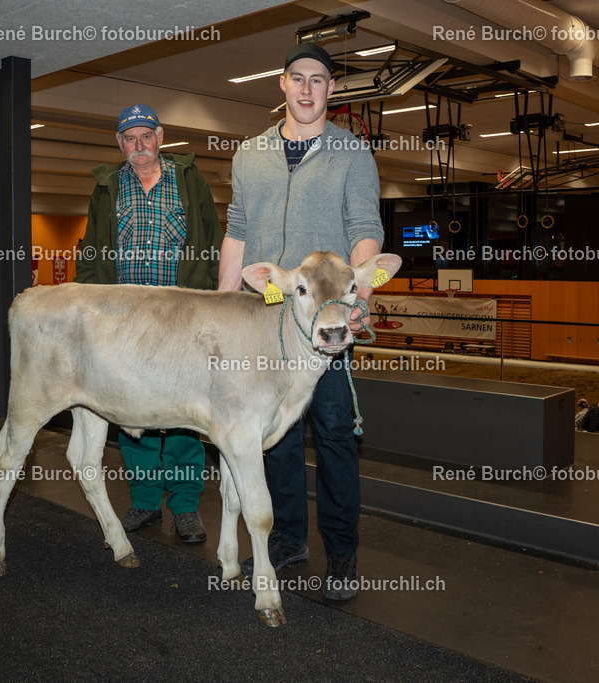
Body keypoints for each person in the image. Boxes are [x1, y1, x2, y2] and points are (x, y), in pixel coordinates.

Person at [220, 42, 385, 600]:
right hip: (267, 321)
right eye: (298, 78)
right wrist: (222, 301)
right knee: (277, 438)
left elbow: (366, 227)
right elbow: (238, 232)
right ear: (282, 85)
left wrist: (359, 297)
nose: (308, 87)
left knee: (336, 434)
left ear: (331, 90)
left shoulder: (352, 152)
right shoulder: (249, 154)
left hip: (328, 322)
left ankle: (341, 555)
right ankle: (288, 539)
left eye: (319, 79)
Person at [75, 103, 223, 545]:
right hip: (126, 319)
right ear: (120, 144)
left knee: (183, 416)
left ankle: (185, 506)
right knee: (131, 412)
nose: (138, 145)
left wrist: (216, 302)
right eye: (129, 138)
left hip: (182, 316)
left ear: (160, 138)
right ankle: (143, 500)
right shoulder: (107, 187)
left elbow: (213, 239)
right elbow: (93, 252)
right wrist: (86, 307)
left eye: (146, 136)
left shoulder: (187, 179)